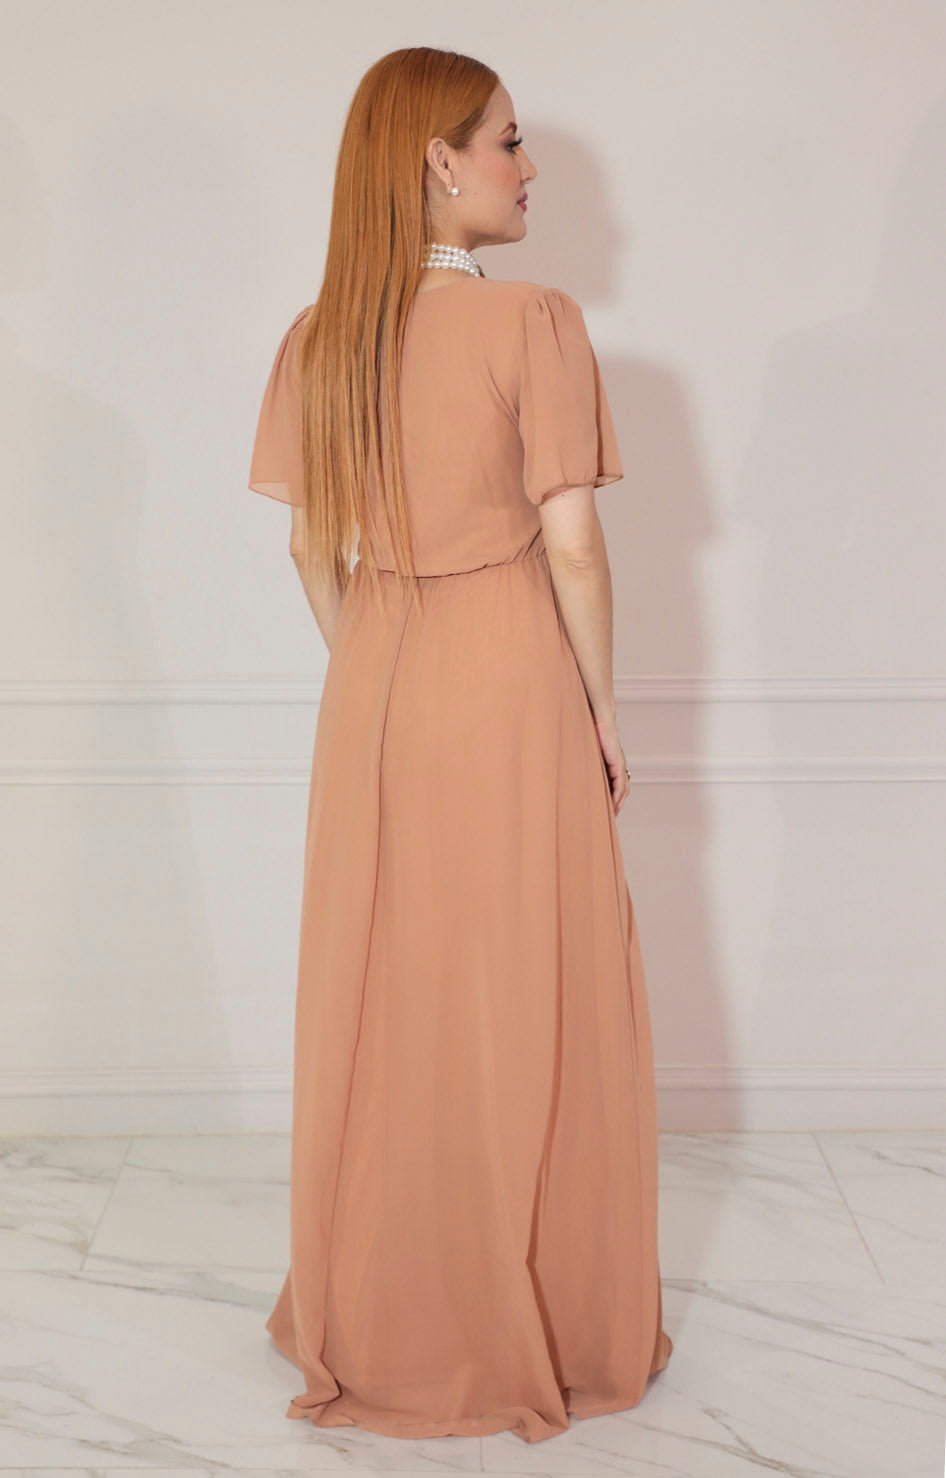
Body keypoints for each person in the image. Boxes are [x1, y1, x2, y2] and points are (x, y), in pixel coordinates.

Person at [247, 45, 673, 1445]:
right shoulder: (532, 322)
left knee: (390, 993)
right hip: (506, 674)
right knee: (524, 987)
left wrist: (378, 662)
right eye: (506, 140)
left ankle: (382, 1313)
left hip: (377, 675)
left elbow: (310, 551)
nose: (528, 167)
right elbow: (574, 546)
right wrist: (601, 707)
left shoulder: (319, 336)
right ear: (438, 161)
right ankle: (535, 1317)